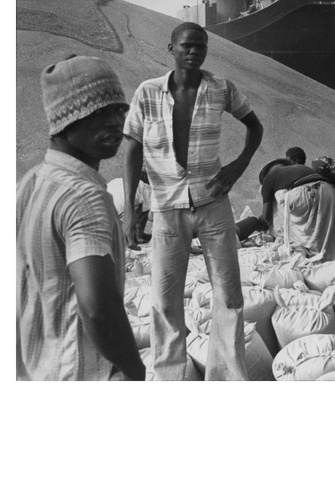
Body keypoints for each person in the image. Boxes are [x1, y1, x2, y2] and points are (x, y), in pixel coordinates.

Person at [122, 22, 263, 381]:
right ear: (171, 48)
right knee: (165, 302)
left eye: (201, 46)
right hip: (167, 209)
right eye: (187, 46)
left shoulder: (220, 88)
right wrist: (130, 213)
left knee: (229, 297)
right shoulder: (148, 93)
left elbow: (255, 126)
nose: (194, 52)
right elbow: (132, 148)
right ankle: (170, 381)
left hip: (213, 203)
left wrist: (238, 165)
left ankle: (227, 379)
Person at [16, 56, 145, 380]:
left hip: (34, 369)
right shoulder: (84, 197)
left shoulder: (31, 182)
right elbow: (98, 308)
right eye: (98, 111)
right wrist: (134, 370)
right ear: (64, 118)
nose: (116, 122)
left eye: (118, 109)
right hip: (77, 372)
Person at [258, 157, 335, 261]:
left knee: (276, 200)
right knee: (325, 228)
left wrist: (258, 225)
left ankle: (286, 239)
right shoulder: (301, 168)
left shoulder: (269, 178)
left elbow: (266, 216)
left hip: (303, 192)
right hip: (327, 190)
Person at [107, 169, 152, 244]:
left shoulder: (116, 182)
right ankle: (136, 236)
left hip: (107, 213)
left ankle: (136, 235)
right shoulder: (144, 188)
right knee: (146, 210)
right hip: (116, 214)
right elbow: (152, 216)